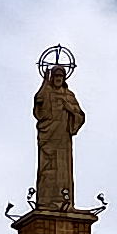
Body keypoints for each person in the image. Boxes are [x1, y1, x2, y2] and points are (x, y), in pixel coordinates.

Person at [33, 65, 85, 209]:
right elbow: (39, 105)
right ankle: (45, 201)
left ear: (64, 79)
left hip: (63, 139)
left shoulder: (69, 95)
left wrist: (70, 110)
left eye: (60, 77)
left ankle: (64, 200)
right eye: (55, 77)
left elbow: (80, 115)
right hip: (49, 137)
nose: (58, 79)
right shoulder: (47, 92)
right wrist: (44, 82)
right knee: (47, 168)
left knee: (63, 169)